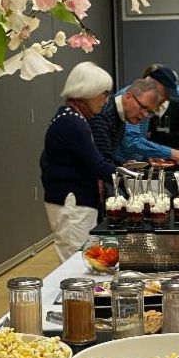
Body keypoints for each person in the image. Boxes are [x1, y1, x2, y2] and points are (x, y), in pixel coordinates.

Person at [40, 62, 116, 261]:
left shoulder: (72, 117)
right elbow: (96, 165)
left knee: (83, 259)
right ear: (89, 91)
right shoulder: (71, 122)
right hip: (73, 204)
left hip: (74, 202)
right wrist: (126, 174)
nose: (106, 100)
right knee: (76, 263)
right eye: (104, 93)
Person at [90, 77, 176, 166]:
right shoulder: (104, 116)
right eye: (143, 107)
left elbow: (106, 159)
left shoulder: (121, 116)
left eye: (149, 112)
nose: (145, 115)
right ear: (129, 96)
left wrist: (122, 165)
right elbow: (101, 165)